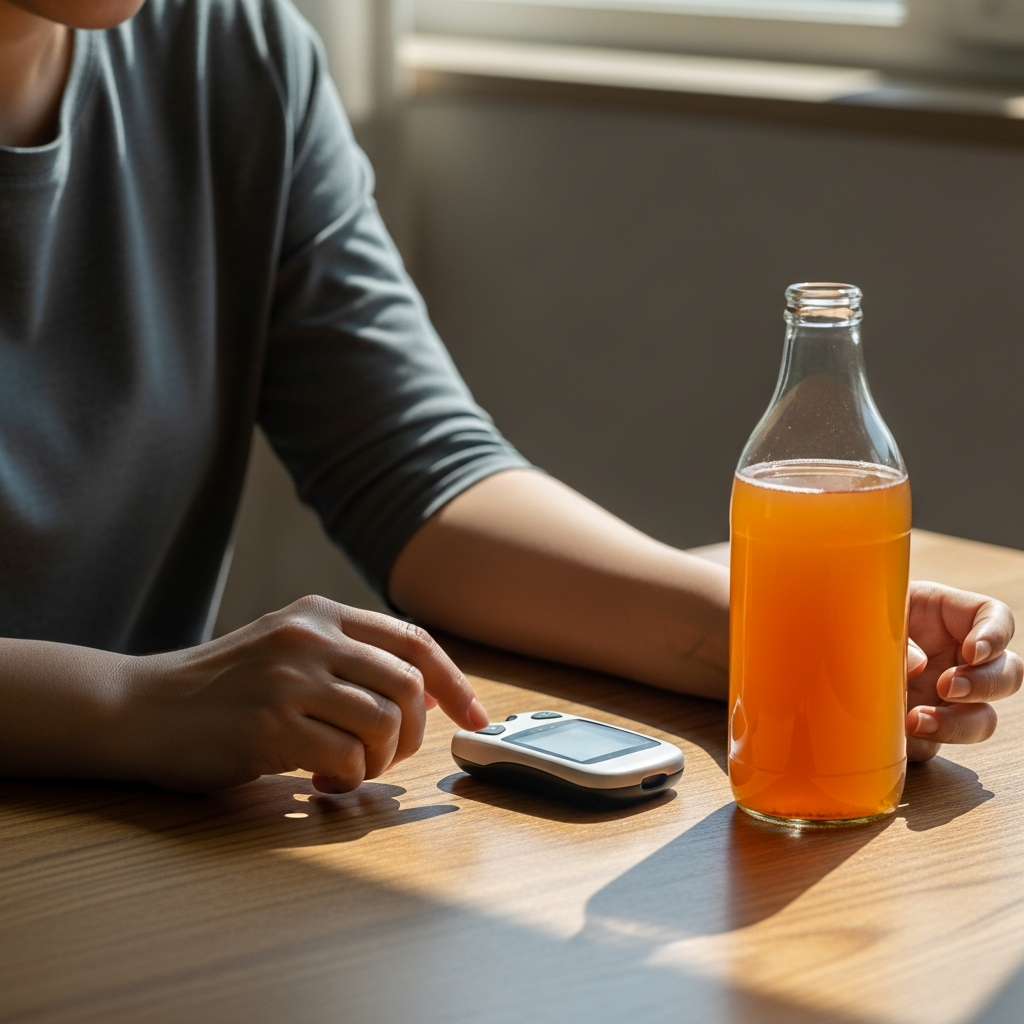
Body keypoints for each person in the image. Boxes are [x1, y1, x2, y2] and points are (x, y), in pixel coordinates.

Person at [0, 0, 1019, 796]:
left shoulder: (236, 52)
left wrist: (775, 634)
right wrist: (126, 706)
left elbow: (420, 477)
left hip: (118, 848)